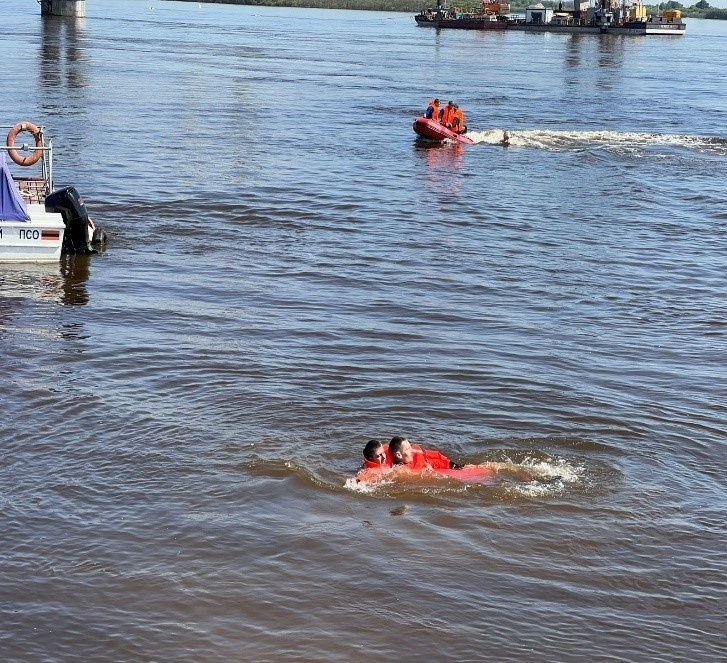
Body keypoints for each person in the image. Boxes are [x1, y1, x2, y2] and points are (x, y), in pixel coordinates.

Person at [388, 435, 463, 471]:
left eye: (410, 447)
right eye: (408, 449)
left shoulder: (414, 456)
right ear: (398, 455)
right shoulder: (400, 470)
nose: (412, 450)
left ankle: (461, 467)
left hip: (437, 464)